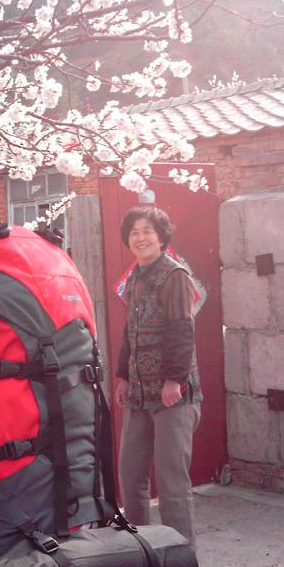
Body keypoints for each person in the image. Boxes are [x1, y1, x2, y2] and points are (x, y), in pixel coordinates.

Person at [114, 206, 203, 545]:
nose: (140, 238)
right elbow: (130, 332)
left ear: (162, 237)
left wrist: (174, 380)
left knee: (171, 483)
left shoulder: (174, 275)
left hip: (172, 397)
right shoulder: (133, 277)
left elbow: (182, 329)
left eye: (147, 231)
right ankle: (140, 552)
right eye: (134, 232)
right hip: (139, 394)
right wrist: (123, 376)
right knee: (130, 475)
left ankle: (180, 557)